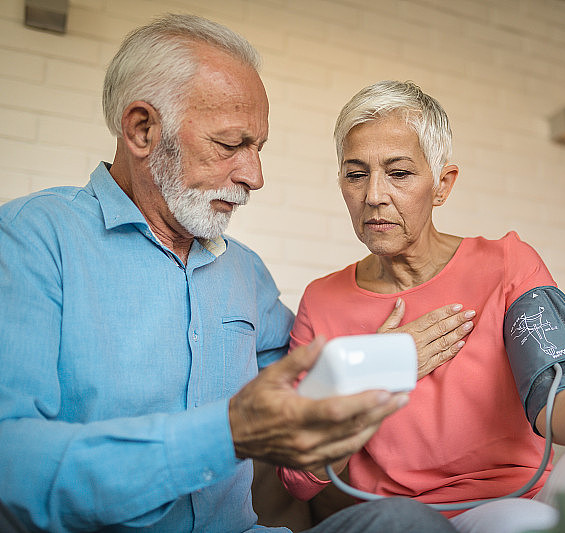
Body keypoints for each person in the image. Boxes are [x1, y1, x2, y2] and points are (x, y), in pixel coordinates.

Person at [0, 16, 467, 533]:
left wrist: (384, 360)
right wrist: (227, 433)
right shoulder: (32, 240)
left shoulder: (245, 271)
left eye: (258, 148)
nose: (255, 176)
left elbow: (305, 385)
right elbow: (12, 465)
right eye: (230, 145)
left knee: (404, 523)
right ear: (142, 130)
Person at [277, 80, 565, 532]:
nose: (374, 196)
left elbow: (555, 399)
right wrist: (376, 369)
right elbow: (296, 479)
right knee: (522, 524)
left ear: (442, 185)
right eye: (356, 173)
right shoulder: (322, 301)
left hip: (532, 491)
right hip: (421, 520)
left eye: (399, 173)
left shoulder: (506, 262)